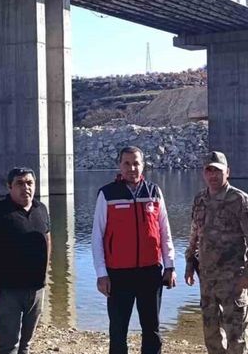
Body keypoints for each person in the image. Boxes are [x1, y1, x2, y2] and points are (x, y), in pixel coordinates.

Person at [91, 146, 176, 354]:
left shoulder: (154, 192)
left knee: (152, 330)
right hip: (119, 274)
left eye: (136, 163)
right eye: (127, 163)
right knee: (118, 331)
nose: (132, 168)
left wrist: (170, 266)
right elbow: (96, 237)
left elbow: (165, 231)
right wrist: (102, 274)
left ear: (143, 165)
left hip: (150, 272)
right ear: (120, 166)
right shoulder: (107, 194)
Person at [185, 151, 248, 354]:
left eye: (217, 171)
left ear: (227, 172)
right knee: (211, 335)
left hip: (233, 281)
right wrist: (189, 264)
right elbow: (194, 234)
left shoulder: (239, 200)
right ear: (204, 173)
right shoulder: (199, 199)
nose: (213, 175)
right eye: (209, 171)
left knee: (236, 337)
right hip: (207, 279)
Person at [0, 167, 51, 354]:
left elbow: (47, 239)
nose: (26, 187)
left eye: (30, 183)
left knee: (26, 345)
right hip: (6, 291)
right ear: (9, 186)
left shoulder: (41, 209)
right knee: (8, 346)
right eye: (20, 183)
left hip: (35, 288)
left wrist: (46, 272)